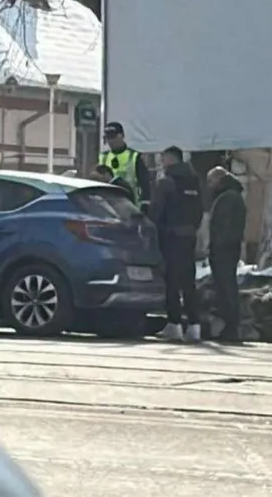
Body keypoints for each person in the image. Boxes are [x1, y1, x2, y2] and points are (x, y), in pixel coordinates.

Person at [147, 146, 204, 342]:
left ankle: (174, 324)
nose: (162, 163)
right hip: (189, 237)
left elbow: (156, 210)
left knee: (172, 280)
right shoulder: (194, 182)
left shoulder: (167, 181)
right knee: (188, 281)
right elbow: (199, 211)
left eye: (163, 159)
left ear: (170, 159)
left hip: (170, 237)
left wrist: (152, 228)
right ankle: (195, 326)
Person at [206, 166, 247, 342]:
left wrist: (217, 246)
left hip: (224, 250)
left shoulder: (228, 197)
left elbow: (225, 227)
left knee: (226, 287)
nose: (209, 185)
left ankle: (231, 327)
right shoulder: (230, 195)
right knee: (226, 286)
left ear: (219, 179)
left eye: (210, 181)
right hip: (227, 248)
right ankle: (229, 326)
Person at [98, 122, 152, 205]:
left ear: (121, 136)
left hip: (130, 204)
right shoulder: (103, 157)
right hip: (109, 205)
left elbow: (145, 184)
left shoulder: (134, 156)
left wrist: (145, 204)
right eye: (108, 138)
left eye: (113, 137)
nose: (110, 141)